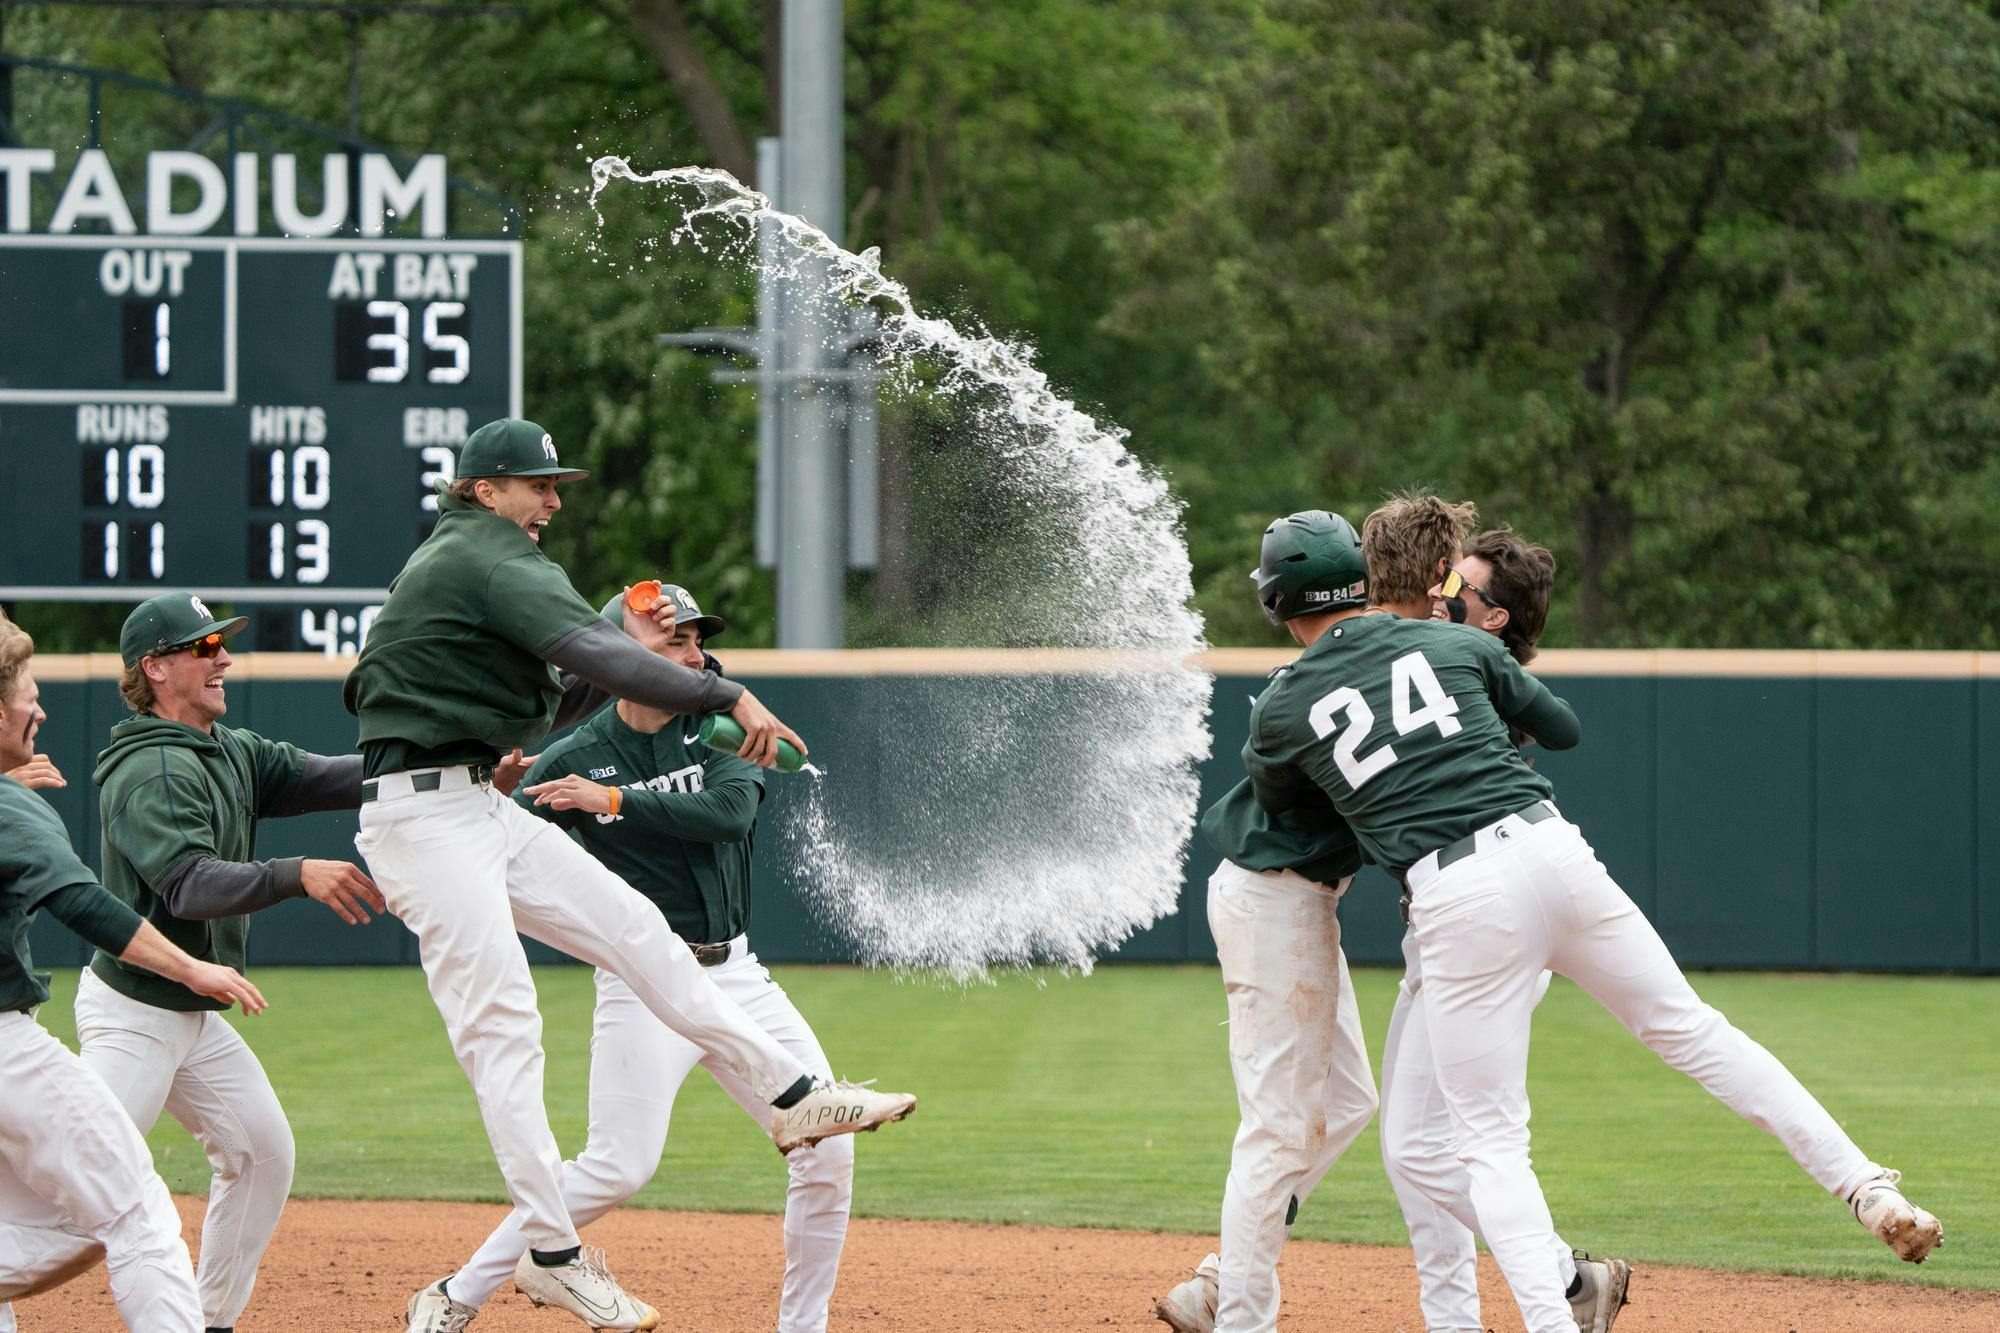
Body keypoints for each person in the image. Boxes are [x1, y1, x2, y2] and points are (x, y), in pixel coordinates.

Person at [1241, 507, 1942, 1332]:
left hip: (1459, 900)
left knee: (1489, 1142)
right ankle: (1866, 1185)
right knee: (1694, 1031)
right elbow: (1562, 727)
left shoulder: (1290, 699)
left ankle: (1557, 1315)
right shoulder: (1462, 646)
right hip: (1551, 851)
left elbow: (1287, 810)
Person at [345, 419, 914, 1331]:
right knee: (508, 1034)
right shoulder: (483, 555)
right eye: (538, 483)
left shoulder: (487, 568)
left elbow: (575, 684)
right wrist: (723, 691)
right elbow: (594, 659)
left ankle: (799, 1098)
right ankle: (552, 1258)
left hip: (478, 809)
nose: (555, 499)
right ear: (485, 488)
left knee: (637, 932)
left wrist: (653, 719)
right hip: (429, 814)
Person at [1155, 507, 1622, 1333]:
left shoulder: (1411, 662)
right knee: (1281, 1126)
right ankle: (1230, 1302)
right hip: (1270, 894)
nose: (1456, 595)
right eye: (1450, 578)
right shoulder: (1386, 662)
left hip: (1296, 897)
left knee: (1348, 1106)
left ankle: (1230, 1271)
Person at [410, 583, 857, 1333]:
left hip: (734, 975)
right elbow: (495, 846)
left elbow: (729, 814)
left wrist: (612, 803)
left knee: (824, 1144)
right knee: (619, 1164)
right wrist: (493, 799)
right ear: (622, 657)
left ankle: (802, 1328)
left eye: (694, 640)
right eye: (672, 642)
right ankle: (453, 1294)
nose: (691, 653)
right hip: (642, 985)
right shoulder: (579, 754)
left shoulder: (717, 728)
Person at [59, 593, 384, 1333]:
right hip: (137, 1014)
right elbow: (190, 884)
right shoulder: (152, 769)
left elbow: (335, 776)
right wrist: (295, 871)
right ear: (157, 666)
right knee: (77, 1192)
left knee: (263, 1153)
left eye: (220, 644)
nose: (223, 657)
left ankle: (210, 1322)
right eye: (203, 647)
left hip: (189, 1015)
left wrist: (441, 769)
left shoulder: (224, 748)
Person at [0, 610, 268, 1333]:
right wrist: (192, 965)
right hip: (17, 1044)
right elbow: (88, 905)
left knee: (257, 1148)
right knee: (133, 1209)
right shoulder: (16, 810)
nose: (40, 705)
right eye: (27, 689)